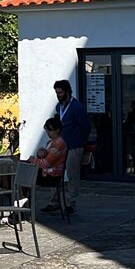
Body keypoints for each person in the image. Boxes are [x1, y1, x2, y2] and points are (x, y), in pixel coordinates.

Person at [52, 80, 91, 215]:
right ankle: (55, 201)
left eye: (61, 92)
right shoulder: (59, 107)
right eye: (57, 93)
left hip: (74, 145)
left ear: (67, 91)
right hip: (61, 146)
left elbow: (86, 127)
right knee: (55, 173)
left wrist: (80, 140)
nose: (59, 95)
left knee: (72, 174)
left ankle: (70, 202)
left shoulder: (77, 107)